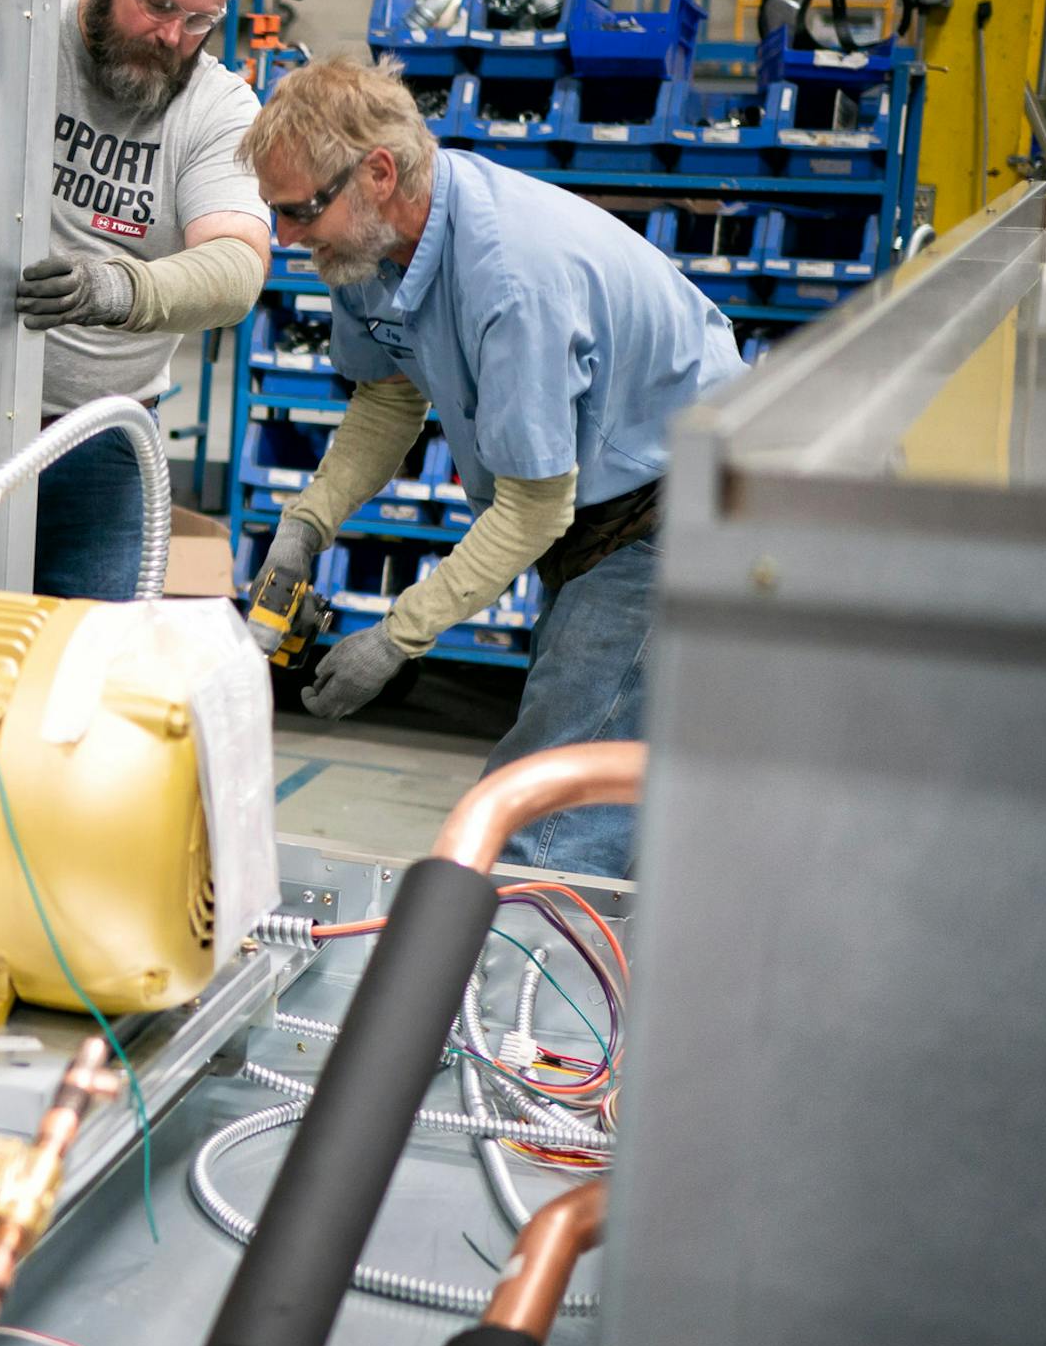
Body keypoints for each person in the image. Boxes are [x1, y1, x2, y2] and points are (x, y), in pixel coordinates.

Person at [238, 57, 745, 878]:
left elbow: (532, 509)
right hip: (596, 511)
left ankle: (512, 992)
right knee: (601, 781)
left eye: (300, 211)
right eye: (275, 212)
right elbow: (388, 399)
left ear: (378, 172)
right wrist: (307, 524)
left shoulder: (512, 279)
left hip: (677, 509)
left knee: (543, 814)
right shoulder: (368, 250)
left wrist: (398, 638)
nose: (286, 238)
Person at [15, 0, 272, 600]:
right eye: (157, 4)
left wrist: (116, 288)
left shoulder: (219, 108)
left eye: (199, 21)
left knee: (97, 672)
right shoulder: (22, 33)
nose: (172, 37)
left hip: (104, 441)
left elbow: (236, 268)